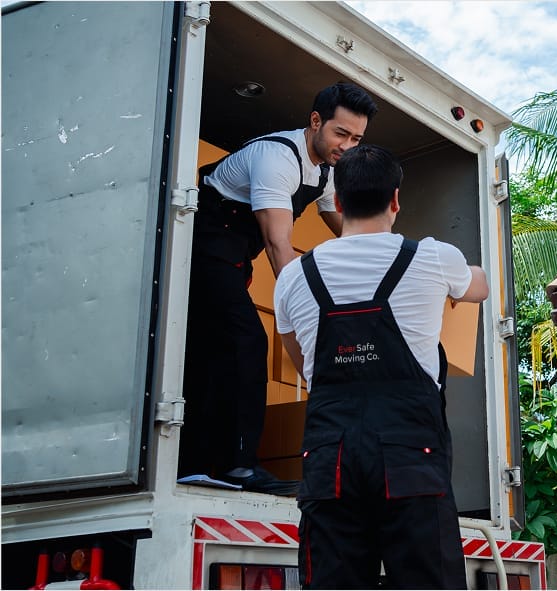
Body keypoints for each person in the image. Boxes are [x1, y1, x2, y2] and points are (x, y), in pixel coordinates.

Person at [274, 144, 489, 589]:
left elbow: (303, 363)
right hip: (410, 451)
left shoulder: (294, 276)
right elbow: (481, 285)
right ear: (395, 200)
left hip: (331, 455)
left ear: (336, 202)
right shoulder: (431, 256)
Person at [178, 82, 379, 495]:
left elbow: (342, 222)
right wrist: (305, 312)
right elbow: (277, 243)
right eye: (341, 134)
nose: (348, 145)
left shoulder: (327, 169)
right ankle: (234, 465)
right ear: (315, 121)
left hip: (231, 259)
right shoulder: (277, 159)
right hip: (202, 251)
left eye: (357, 138)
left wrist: (388, 257)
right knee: (247, 341)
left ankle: (199, 462)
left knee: (213, 349)